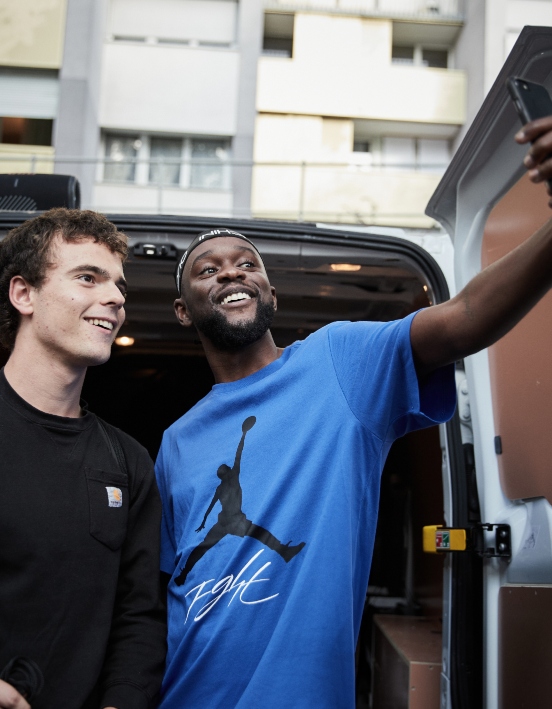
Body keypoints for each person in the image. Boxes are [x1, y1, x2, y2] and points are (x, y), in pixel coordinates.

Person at [154, 119, 552, 708]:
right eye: (207, 270)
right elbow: (167, 582)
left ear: (271, 294)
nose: (232, 272)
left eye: (247, 264)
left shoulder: (340, 362)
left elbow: (467, 315)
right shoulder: (177, 440)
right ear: (184, 310)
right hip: (182, 693)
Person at [0, 209, 166, 709]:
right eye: (88, 278)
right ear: (24, 294)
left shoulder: (128, 462)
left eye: (118, 285)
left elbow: (139, 616)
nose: (115, 298)